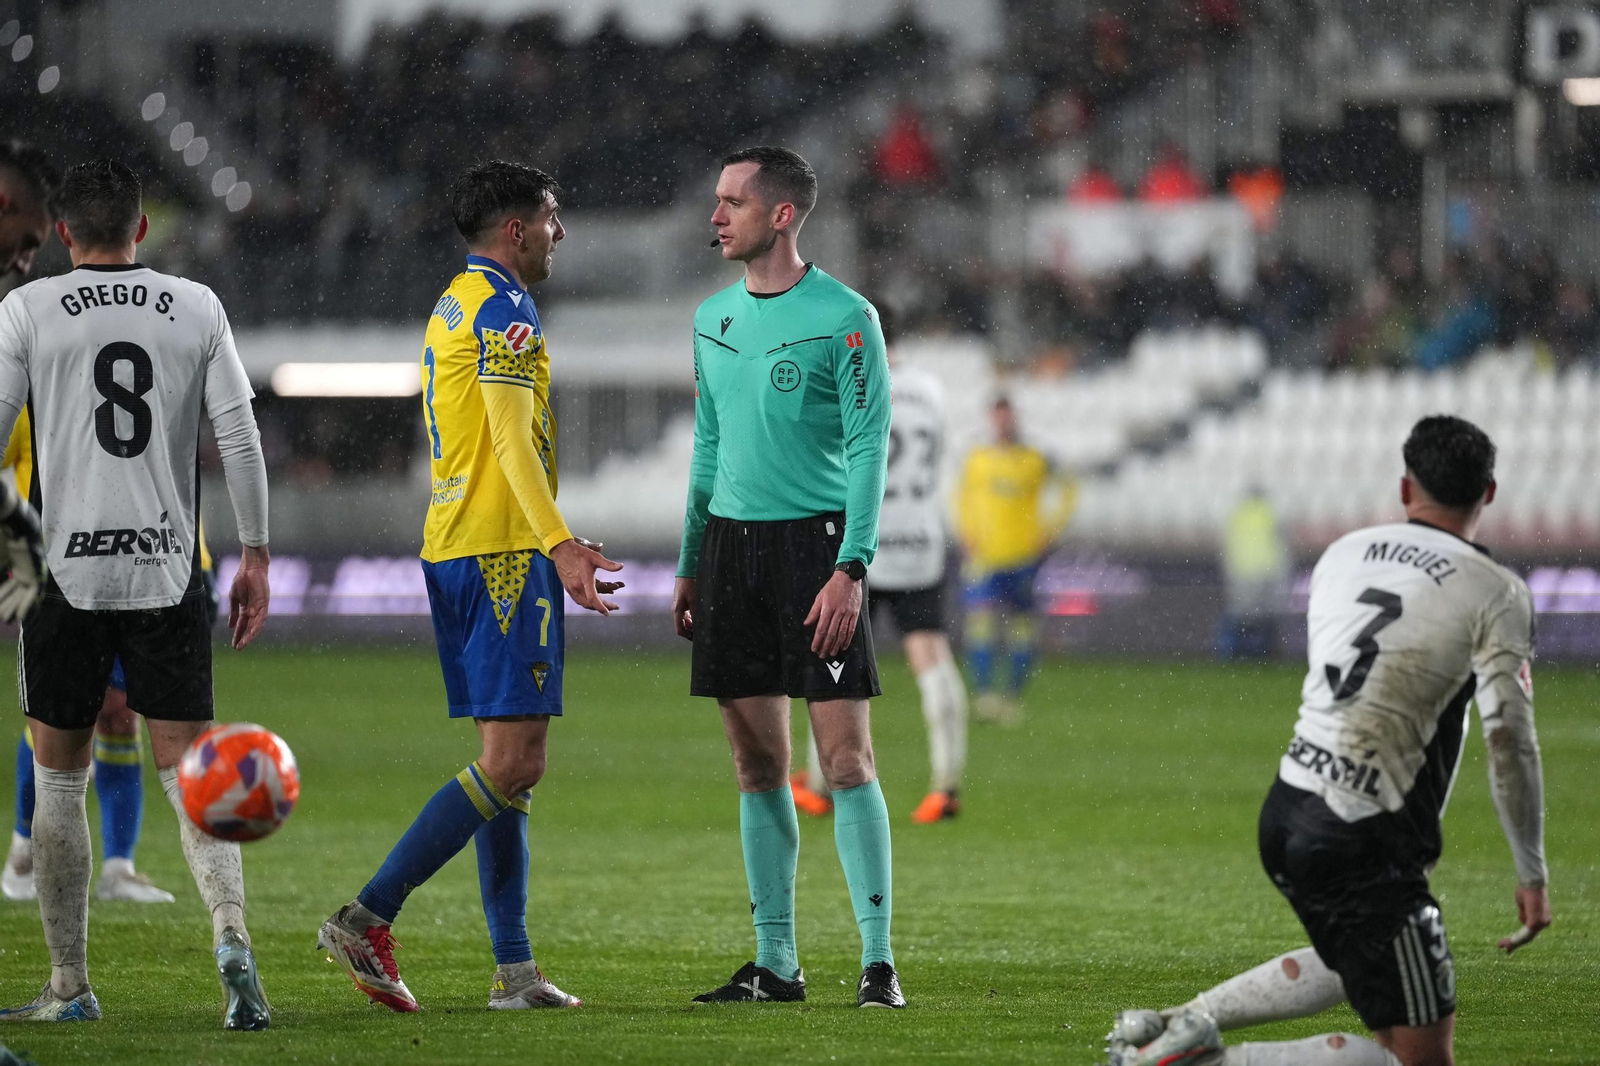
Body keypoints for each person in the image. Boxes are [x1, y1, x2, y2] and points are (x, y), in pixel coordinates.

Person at [1105, 415, 1550, 1066]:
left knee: (1358, 953)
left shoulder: (1345, 552)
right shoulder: (1496, 590)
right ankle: (1191, 1063)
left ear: (1405, 488)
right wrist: (1532, 871)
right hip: (1366, 834)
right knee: (1416, 1057)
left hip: (1289, 807)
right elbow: (1508, 736)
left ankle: (1187, 1020)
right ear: (1488, 493)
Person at [317, 160, 621, 1014]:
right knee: (517, 761)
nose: (561, 233)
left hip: (460, 544)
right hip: (500, 555)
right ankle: (366, 915)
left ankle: (516, 973)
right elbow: (514, 443)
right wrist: (556, 545)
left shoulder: (456, 301)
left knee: (508, 771)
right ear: (516, 231)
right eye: (552, 218)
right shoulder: (506, 309)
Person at [0, 159, 273, 1028]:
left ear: (65, 234)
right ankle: (233, 940)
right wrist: (257, 555)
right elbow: (238, 433)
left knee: (58, 781)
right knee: (192, 769)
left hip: (63, 573)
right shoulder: (195, 305)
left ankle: (70, 985)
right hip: (168, 566)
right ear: (142, 229)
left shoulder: (27, 309)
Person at [672, 146, 902, 1008]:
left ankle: (877, 962)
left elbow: (871, 443)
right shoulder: (708, 319)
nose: (716, 215)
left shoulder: (846, 317)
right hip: (731, 553)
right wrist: (694, 560)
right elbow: (708, 445)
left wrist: (853, 566)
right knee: (755, 763)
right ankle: (777, 966)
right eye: (717, 199)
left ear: (782, 215)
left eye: (732, 200)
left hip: (817, 552)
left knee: (845, 762)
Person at [791, 304, 968, 825]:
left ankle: (819, 782)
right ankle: (946, 786)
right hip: (922, 542)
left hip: (860, 547)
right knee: (931, 654)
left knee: (829, 652)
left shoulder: (853, 385)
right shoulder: (931, 390)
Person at [956, 396, 1074, 723]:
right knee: (980, 626)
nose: (1003, 423)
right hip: (985, 557)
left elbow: (1068, 487)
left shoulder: (1034, 458)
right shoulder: (978, 458)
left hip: (1023, 557)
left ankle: (1011, 697)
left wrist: (1051, 530)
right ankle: (984, 695)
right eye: (998, 417)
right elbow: (962, 496)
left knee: (1023, 629)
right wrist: (966, 532)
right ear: (991, 420)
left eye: (1007, 417)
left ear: (1015, 418)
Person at [1215, 487, 1289, 660]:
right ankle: (1264, 653)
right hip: (1265, 570)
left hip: (1241, 571)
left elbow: (1226, 544)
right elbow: (1282, 543)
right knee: (1265, 615)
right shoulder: (1269, 512)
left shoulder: (1238, 514)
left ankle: (1231, 653)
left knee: (1240, 615)